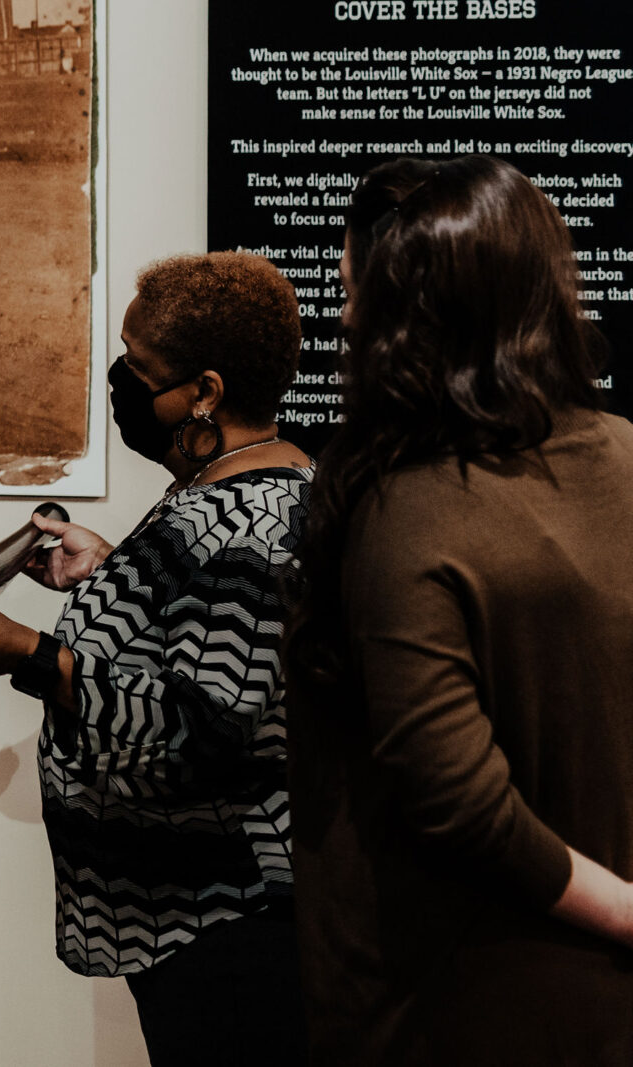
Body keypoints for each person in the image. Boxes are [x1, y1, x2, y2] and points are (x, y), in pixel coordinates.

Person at [0, 251, 309, 1067]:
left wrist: (28, 653)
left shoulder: (256, 526)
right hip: (185, 921)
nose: (121, 378)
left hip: (226, 926)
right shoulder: (223, 481)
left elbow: (204, 724)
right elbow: (207, 629)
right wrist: (114, 569)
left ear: (206, 391)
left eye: (139, 365)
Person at [290, 157, 633, 1065]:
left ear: (409, 320)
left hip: (473, 993)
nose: (344, 315)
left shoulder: (406, 505)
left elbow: (456, 798)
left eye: (352, 290)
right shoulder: (627, 453)